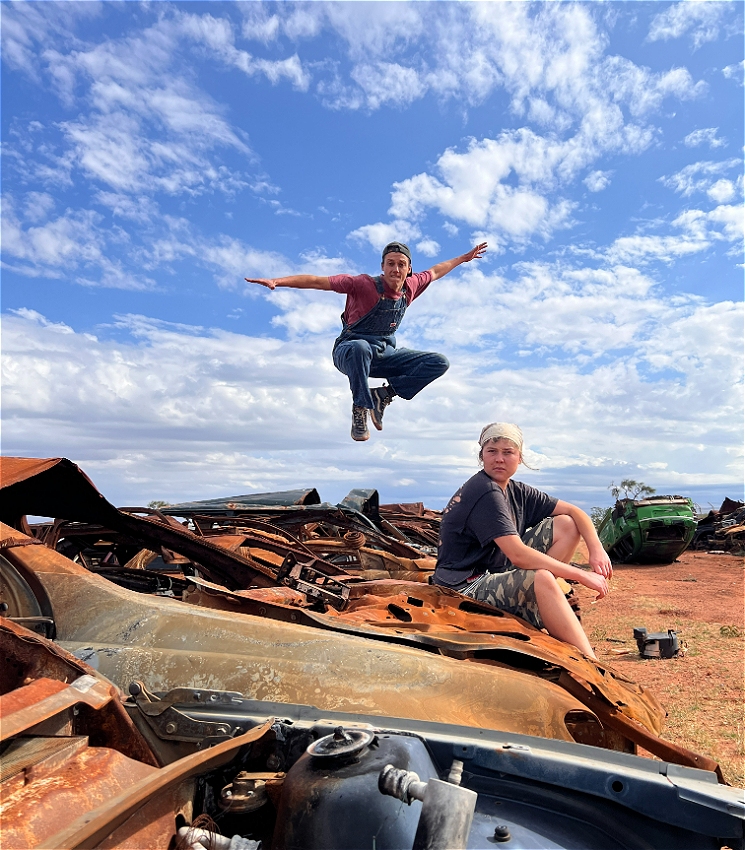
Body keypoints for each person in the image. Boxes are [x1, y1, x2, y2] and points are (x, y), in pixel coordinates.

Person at [245, 241, 487, 441]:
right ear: (382, 267)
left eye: (401, 265)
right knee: (360, 347)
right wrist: (279, 281)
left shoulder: (411, 287)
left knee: (438, 362)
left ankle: (383, 395)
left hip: (383, 356)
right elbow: (318, 281)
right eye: (390, 264)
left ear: (409, 269)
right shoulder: (362, 285)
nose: (395, 269)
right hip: (349, 352)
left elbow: (436, 270)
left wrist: (463, 258)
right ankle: (360, 408)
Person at [433, 422, 612, 658]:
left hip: (494, 571)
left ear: (519, 457)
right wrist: (580, 574)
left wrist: (596, 549)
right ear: (482, 456)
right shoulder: (484, 491)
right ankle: (593, 665)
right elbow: (517, 554)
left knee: (567, 525)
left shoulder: (517, 491)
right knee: (541, 577)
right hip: (464, 585)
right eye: (492, 451)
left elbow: (575, 512)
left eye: (508, 452)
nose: (499, 459)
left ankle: (540, 601)